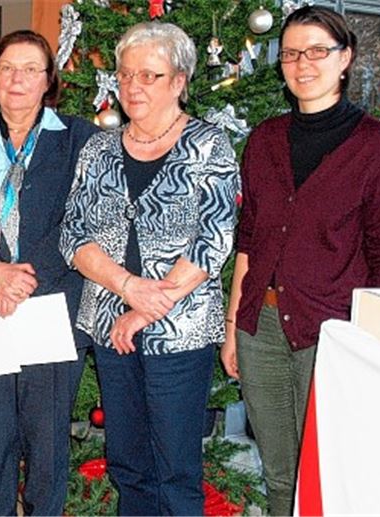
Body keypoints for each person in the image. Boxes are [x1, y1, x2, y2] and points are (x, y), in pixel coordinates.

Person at [221, 6, 380, 515]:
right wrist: (234, 326)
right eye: (291, 53)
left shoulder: (378, 147)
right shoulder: (264, 140)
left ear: (344, 59)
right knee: (279, 472)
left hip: (333, 332)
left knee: (328, 472)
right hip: (260, 329)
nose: (303, 64)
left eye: (318, 51)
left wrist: (371, 346)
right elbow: (249, 239)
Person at [59, 22, 240, 515]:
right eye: (125, 74)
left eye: (149, 75)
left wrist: (144, 309)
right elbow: (72, 234)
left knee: (176, 470)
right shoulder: (98, 149)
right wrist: (126, 286)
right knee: (128, 463)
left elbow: (214, 239)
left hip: (179, 331)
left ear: (179, 81)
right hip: (110, 327)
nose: (132, 86)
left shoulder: (209, 145)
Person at [0, 30, 98, 515]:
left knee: (46, 441)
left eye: (31, 69)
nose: (18, 79)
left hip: (51, 304)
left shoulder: (80, 139)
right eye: (8, 68)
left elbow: (83, 218)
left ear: (49, 80)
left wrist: (22, 278)